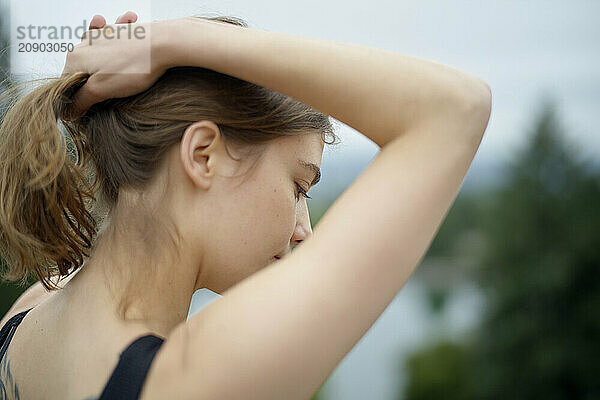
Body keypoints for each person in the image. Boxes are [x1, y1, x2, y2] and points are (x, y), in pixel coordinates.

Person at [0, 11, 491, 400]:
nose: (306, 231)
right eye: (299, 186)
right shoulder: (193, 380)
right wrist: (175, 40)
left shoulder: (27, 314)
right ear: (202, 156)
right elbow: (456, 108)